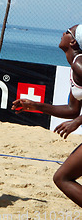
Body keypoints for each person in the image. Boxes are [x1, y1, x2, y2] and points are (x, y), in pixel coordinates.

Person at [12, 24, 82, 208]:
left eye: (67, 31)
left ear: (73, 41)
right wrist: (36, 106)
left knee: (62, 178)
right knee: (63, 178)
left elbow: (76, 116)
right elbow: (72, 108)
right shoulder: (75, 66)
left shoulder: (79, 64)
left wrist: (77, 122)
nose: (63, 32)